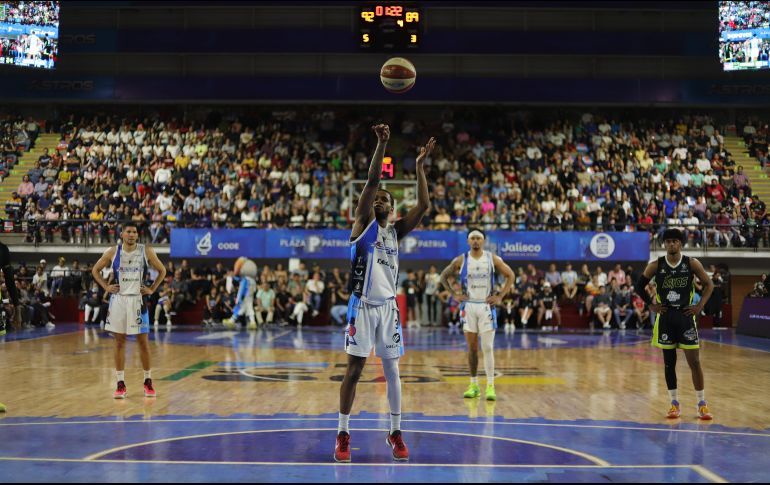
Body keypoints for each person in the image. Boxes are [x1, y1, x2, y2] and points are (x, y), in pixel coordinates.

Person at [335, 125, 434, 463]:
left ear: (392, 211)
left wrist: (419, 166)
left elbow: (424, 204)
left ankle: (395, 432)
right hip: (360, 306)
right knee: (354, 370)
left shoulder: (395, 232)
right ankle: (343, 433)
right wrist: (382, 143)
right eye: (376, 199)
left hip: (388, 309)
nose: (378, 200)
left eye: (384, 202)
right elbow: (372, 181)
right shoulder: (362, 223)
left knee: (392, 371)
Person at [635, 228, 715, 421]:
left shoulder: (691, 263)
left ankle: (701, 404)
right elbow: (639, 285)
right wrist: (651, 305)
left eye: (675, 241)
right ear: (664, 244)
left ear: (680, 243)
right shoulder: (656, 265)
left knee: (694, 362)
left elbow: (709, 284)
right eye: (668, 241)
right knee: (669, 364)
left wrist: (699, 306)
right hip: (666, 316)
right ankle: (674, 403)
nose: (672, 244)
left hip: (686, 316)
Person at [91, 223, 167, 399]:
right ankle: (120, 384)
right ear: (122, 234)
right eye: (128, 231)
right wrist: (105, 287)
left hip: (138, 301)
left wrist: (152, 289)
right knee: (119, 343)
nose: (131, 234)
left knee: (143, 343)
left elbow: (162, 270)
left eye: (134, 232)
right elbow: (95, 270)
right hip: (119, 300)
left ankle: (148, 382)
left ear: (137, 235)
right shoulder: (113, 251)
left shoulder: (146, 251)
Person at [439, 228, 514, 401]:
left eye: (478, 238)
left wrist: (501, 296)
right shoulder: (461, 259)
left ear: (484, 241)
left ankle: (490, 386)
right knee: (472, 348)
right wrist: (454, 294)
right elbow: (443, 276)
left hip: (486, 306)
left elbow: (510, 275)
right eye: (472, 238)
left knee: (487, 348)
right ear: (468, 241)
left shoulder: (492, 258)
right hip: (469, 307)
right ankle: (473, 385)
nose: (475, 241)